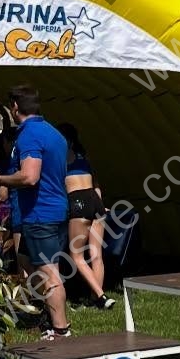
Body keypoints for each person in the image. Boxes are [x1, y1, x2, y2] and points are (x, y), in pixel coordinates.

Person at [0, 87, 72, 340]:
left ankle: (62, 330)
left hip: (41, 215)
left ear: (15, 107)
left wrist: (0, 179)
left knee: (49, 272)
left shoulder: (29, 135)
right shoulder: (54, 133)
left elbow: (30, 176)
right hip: (51, 211)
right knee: (30, 266)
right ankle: (43, 316)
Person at [59, 124, 115, 309]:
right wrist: (101, 205)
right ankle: (95, 299)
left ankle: (100, 296)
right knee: (96, 254)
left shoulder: (60, 158)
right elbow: (96, 182)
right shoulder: (84, 157)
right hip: (94, 200)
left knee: (76, 256)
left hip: (78, 202)